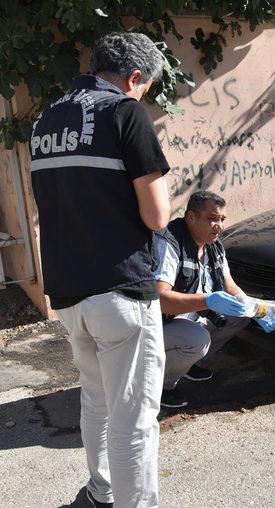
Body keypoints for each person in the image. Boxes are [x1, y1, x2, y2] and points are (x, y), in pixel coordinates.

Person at [30, 32, 171, 508]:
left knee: (96, 400)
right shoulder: (126, 113)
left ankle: (101, 491)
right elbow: (156, 216)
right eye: (145, 86)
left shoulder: (45, 119)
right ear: (134, 77)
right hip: (121, 289)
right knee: (135, 418)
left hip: (69, 291)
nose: (143, 95)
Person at [155, 190, 275, 409]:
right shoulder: (170, 242)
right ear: (191, 217)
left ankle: (190, 363)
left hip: (188, 314)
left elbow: (229, 285)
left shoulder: (214, 245)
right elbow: (161, 299)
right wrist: (208, 301)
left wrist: (254, 307)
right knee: (198, 339)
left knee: (240, 317)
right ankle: (161, 387)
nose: (219, 226)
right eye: (212, 219)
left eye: (222, 219)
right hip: (155, 323)